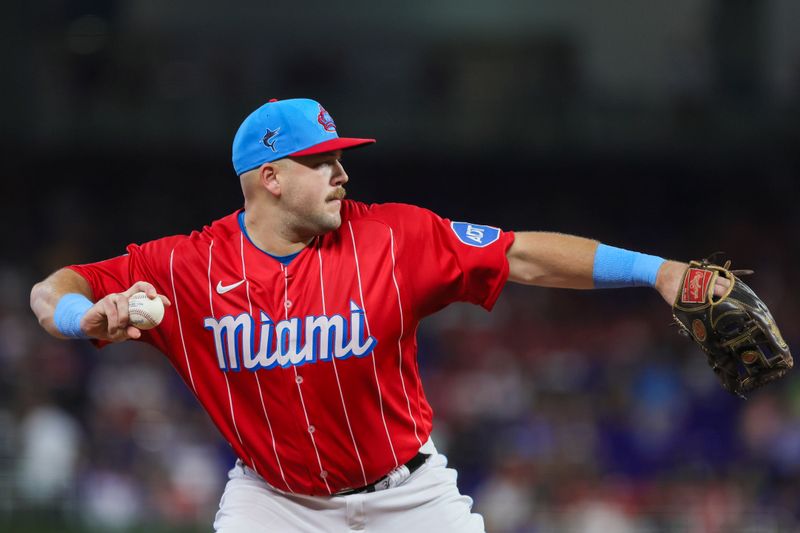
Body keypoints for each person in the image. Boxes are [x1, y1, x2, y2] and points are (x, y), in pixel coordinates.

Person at [30, 97, 706, 532]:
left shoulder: (393, 236)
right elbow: (51, 287)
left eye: (341, 159)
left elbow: (523, 254)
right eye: (322, 161)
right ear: (271, 177)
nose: (342, 173)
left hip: (408, 496)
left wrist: (658, 271)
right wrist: (82, 317)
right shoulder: (185, 265)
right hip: (275, 504)